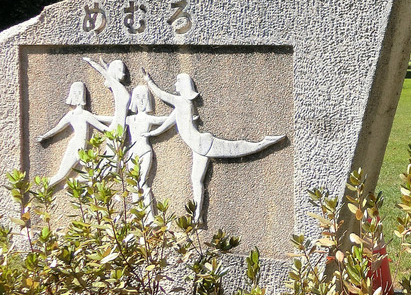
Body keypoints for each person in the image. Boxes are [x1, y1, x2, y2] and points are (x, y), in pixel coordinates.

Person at [143, 70, 284, 224]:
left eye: (178, 82)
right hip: (198, 147)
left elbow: (161, 94)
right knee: (196, 180)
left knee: (236, 148)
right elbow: (168, 124)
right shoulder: (181, 106)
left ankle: (265, 143)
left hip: (202, 144)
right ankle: (197, 216)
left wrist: (149, 81)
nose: (175, 84)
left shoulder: (181, 102)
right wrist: (151, 134)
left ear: (183, 86)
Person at [37, 82, 109, 188]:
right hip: (76, 146)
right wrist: (44, 136)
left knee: (92, 172)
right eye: (75, 93)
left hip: (81, 149)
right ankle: (45, 188)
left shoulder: (85, 114)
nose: (78, 95)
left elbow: (100, 125)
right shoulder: (72, 115)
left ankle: (72, 184)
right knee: (62, 174)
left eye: (80, 93)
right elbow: (57, 128)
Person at [126, 84, 174, 214]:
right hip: (133, 153)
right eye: (138, 97)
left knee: (142, 182)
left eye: (143, 97)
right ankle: (138, 215)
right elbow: (113, 121)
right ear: (134, 100)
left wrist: (183, 114)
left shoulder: (149, 119)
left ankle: (149, 215)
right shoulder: (130, 119)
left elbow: (166, 120)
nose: (141, 100)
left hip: (145, 151)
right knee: (134, 183)